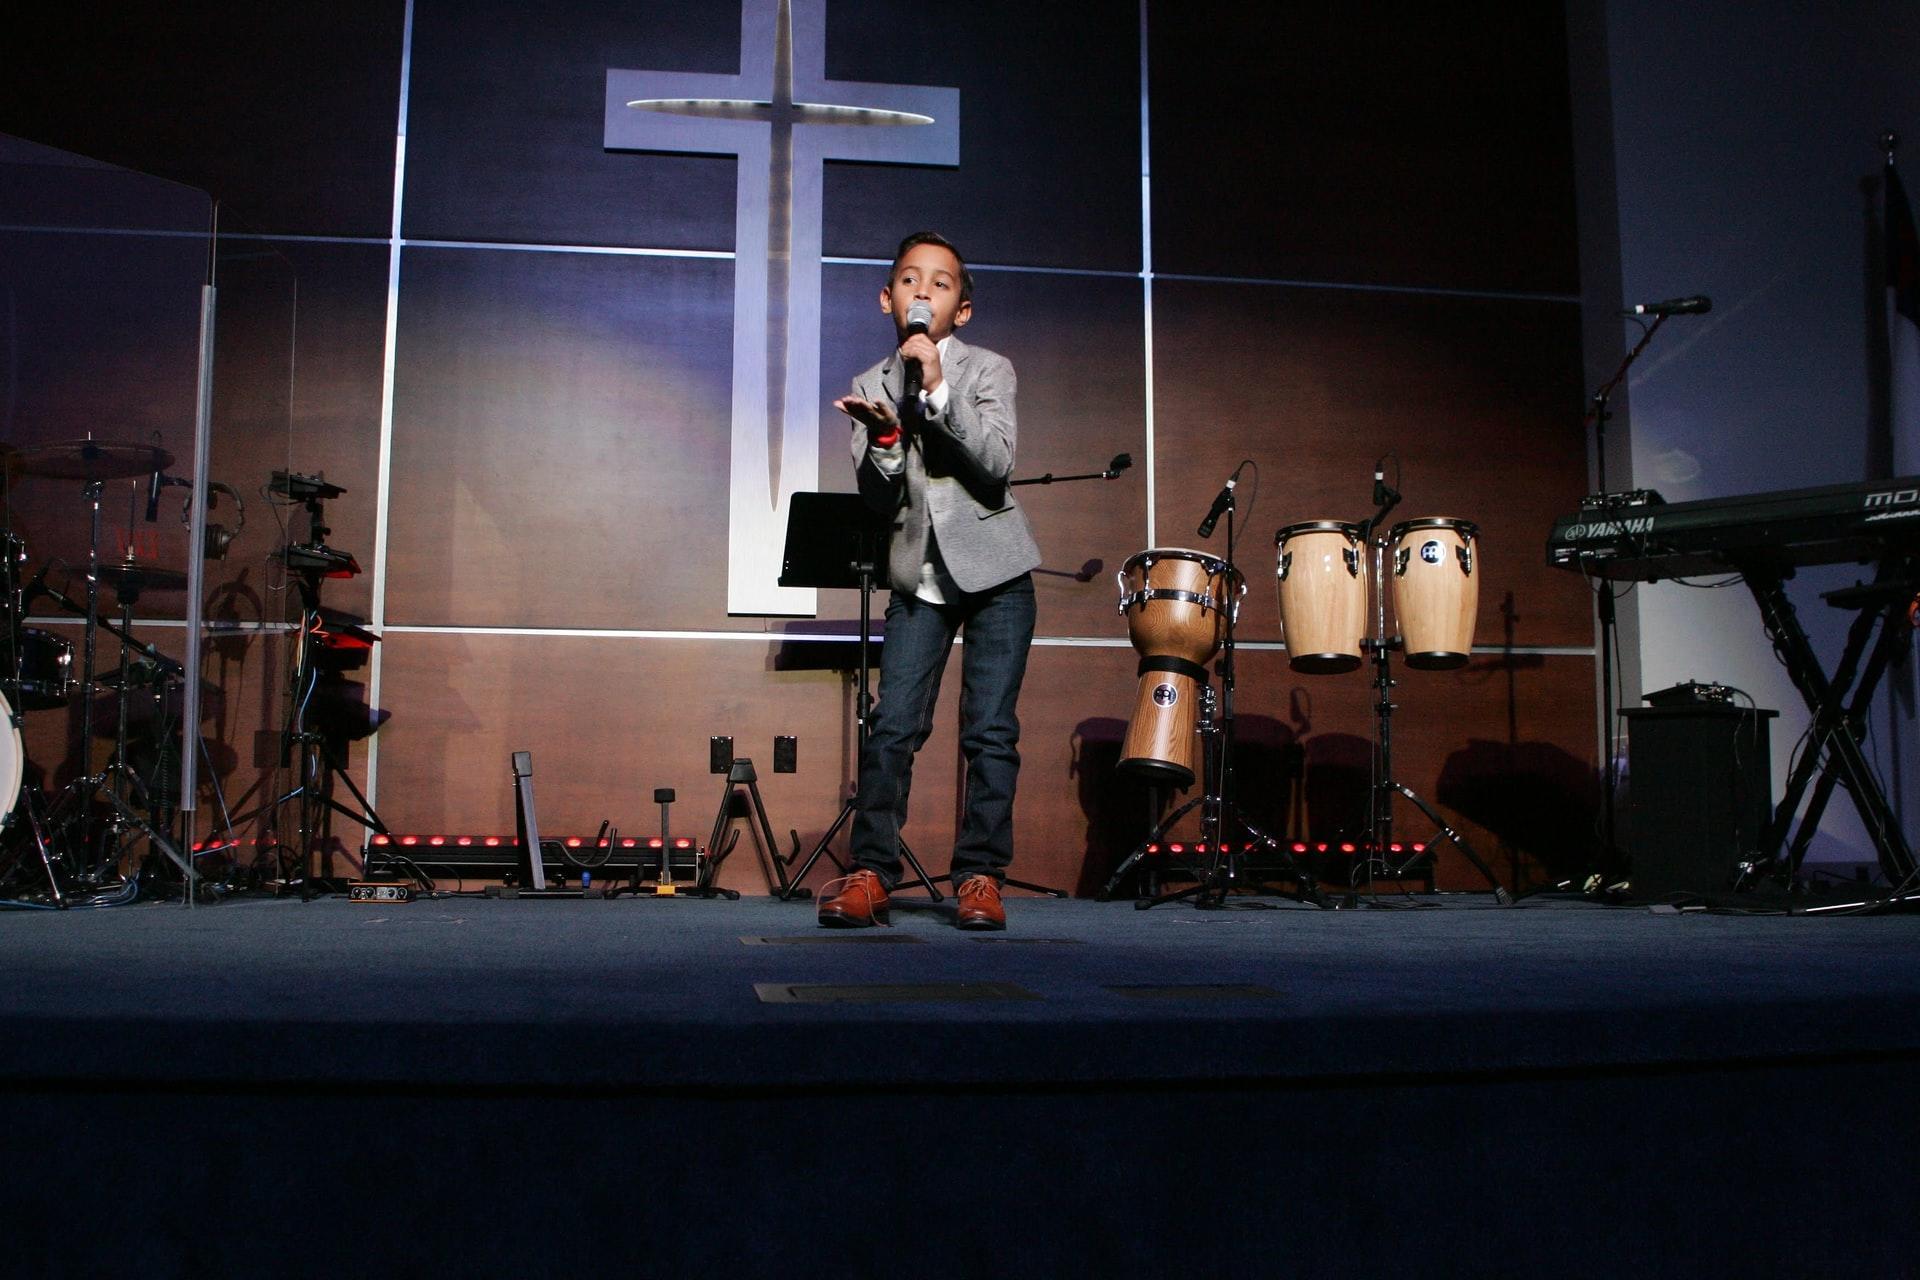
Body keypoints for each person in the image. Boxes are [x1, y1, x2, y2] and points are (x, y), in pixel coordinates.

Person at [820, 231, 1041, 931]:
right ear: (887, 298)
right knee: (892, 726)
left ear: (961, 310)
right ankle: (871, 872)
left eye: (940, 284)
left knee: (990, 731)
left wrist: (939, 386)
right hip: (918, 573)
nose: (924, 291)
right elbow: (878, 500)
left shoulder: (988, 369)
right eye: (911, 280)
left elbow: (996, 462)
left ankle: (980, 877)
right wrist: (885, 441)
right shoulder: (871, 384)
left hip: (997, 571)